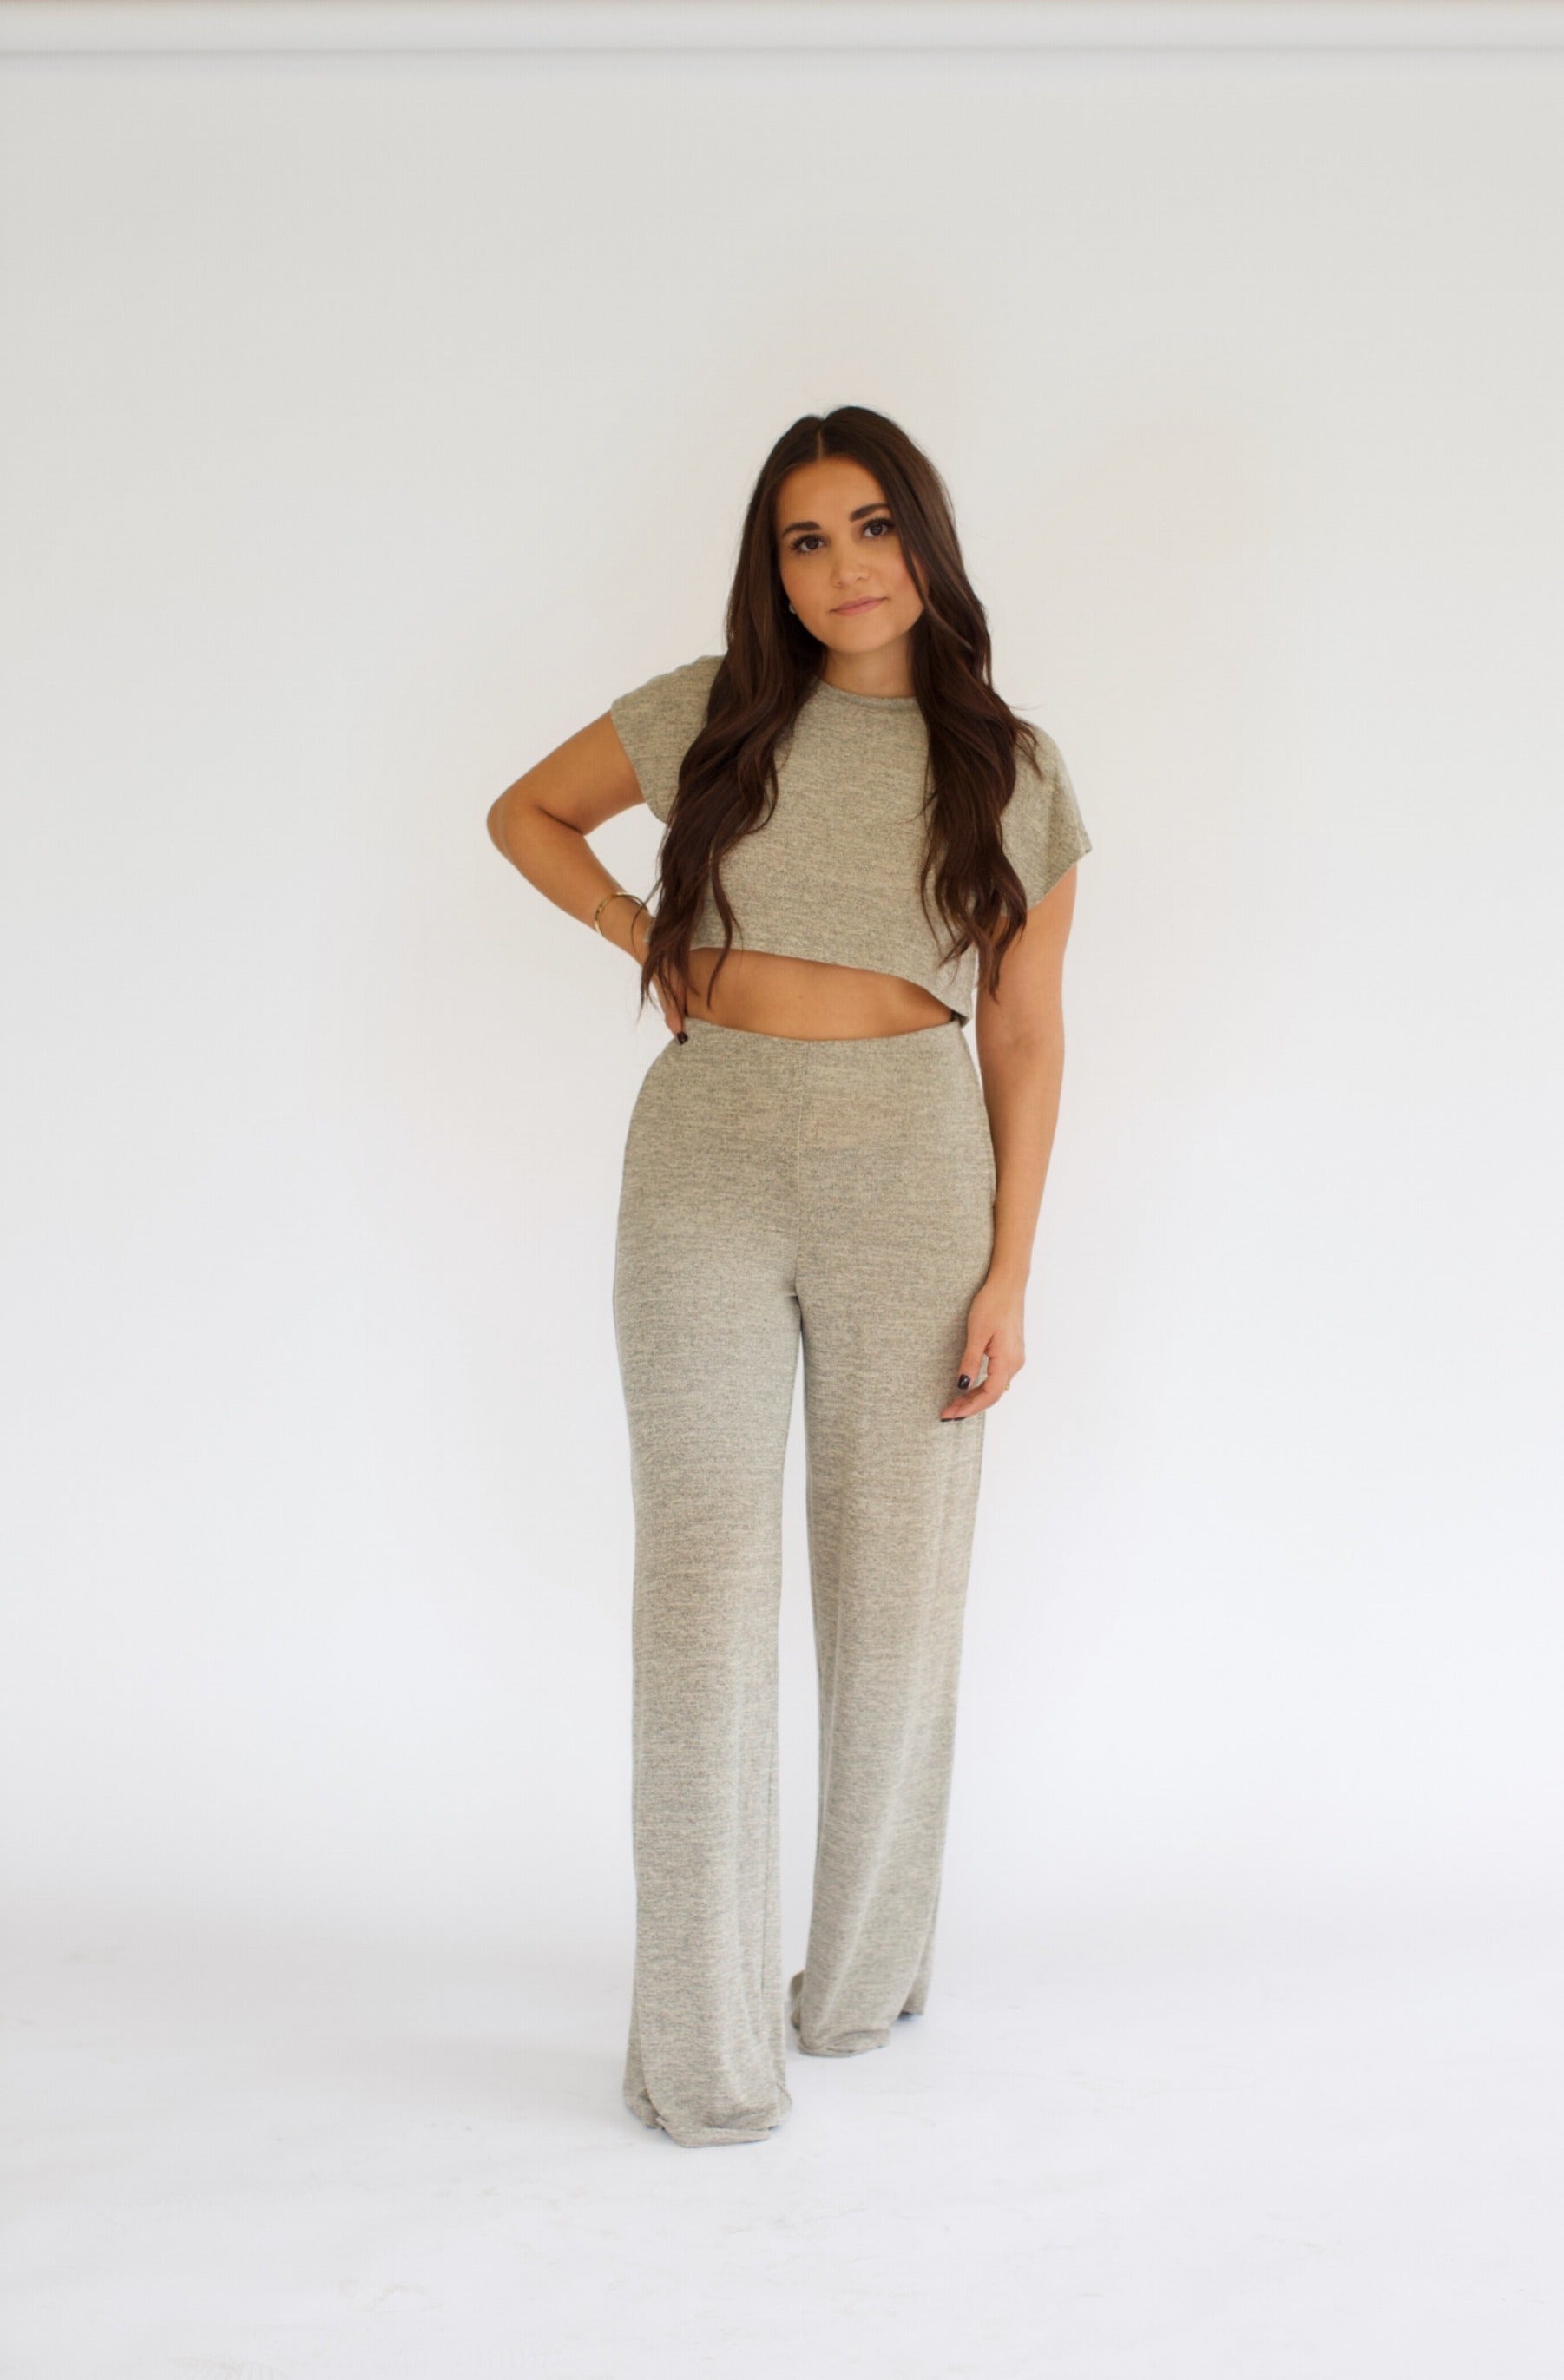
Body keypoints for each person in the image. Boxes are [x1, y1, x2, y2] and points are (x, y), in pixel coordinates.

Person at [486, 404, 1091, 2148]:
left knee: (893, 1589)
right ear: (774, 568)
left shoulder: (1011, 766)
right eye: (805, 539)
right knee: (701, 1586)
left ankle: (856, 1978)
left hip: (913, 1168)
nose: (844, 566)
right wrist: (639, 935)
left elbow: (1026, 1033)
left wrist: (1010, 1270)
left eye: (873, 525)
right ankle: (700, 2049)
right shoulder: (712, 712)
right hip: (708, 1158)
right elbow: (526, 814)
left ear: (925, 543)